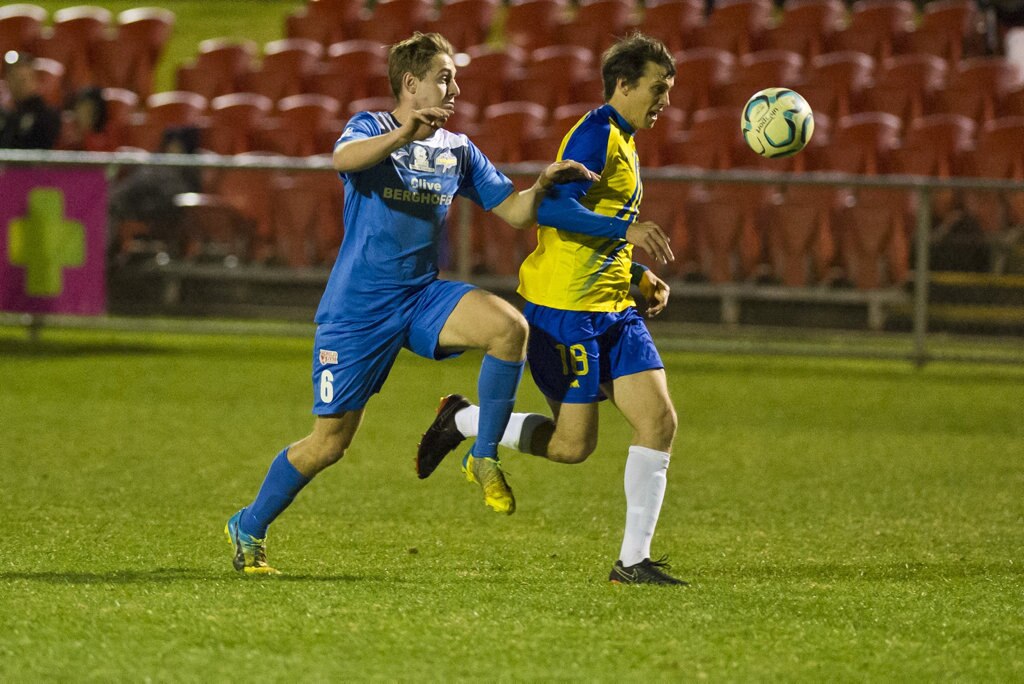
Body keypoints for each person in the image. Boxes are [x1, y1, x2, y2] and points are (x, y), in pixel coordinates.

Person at [224, 32, 598, 574]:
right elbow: (342, 161)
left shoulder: (458, 149)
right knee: (329, 444)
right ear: (410, 83)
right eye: (445, 77)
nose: (455, 88)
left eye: (455, 78)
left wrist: (540, 184)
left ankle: (484, 453)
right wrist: (404, 133)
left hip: (422, 296)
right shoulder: (374, 127)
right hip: (358, 310)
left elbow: (515, 213)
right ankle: (248, 524)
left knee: (509, 330)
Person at [417, 33, 686, 585]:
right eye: (658, 88)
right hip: (564, 314)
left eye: (669, 90)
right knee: (571, 447)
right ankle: (462, 419)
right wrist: (629, 232)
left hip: (613, 310)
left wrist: (635, 276)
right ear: (624, 84)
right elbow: (555, 209)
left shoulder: (626, 139)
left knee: (658, 421)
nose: (665, 100)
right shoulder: (595, 135)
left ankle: (632, 562)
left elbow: (593, 231)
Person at [0, 51, 61, 150]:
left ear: (35, 80)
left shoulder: (47, 115)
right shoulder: (5, 114)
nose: (18, 85)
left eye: (23, 80)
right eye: (13, 78)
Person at [61, 86, 115, 152]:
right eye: (81, 109)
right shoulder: (65, 127)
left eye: (89, 111)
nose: (83, 115)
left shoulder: (103, 138)